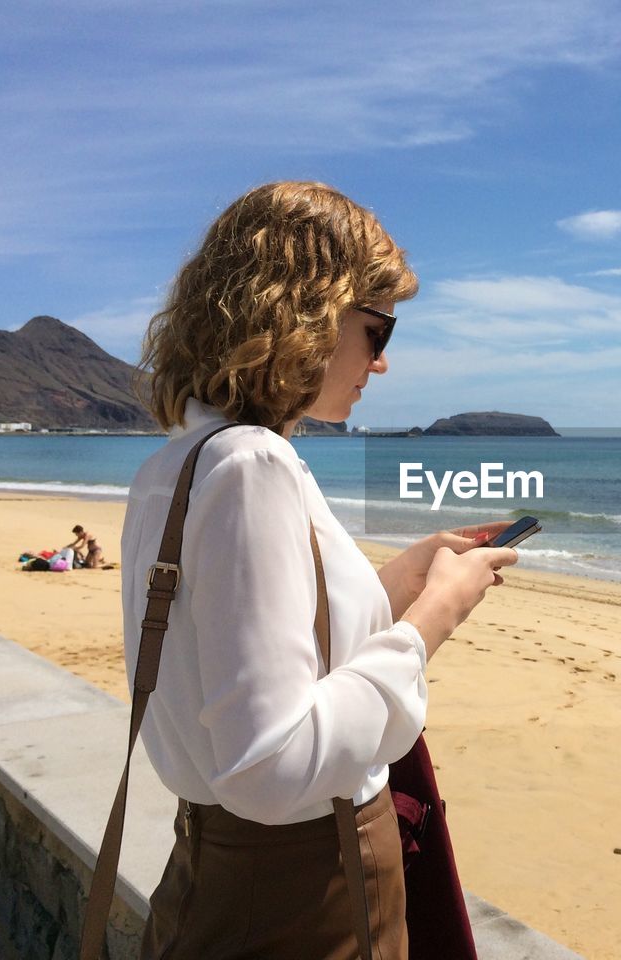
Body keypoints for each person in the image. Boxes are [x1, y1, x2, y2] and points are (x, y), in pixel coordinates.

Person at [120, 181, 516, 959]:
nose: (384, 360)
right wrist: (434, 617)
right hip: (302, 889)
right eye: (375, 328)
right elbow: (271, 764)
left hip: (223, 869)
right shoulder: (253, 466)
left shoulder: (178, 463)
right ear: (303, 313)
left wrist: (405, 576)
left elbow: (242, 647)